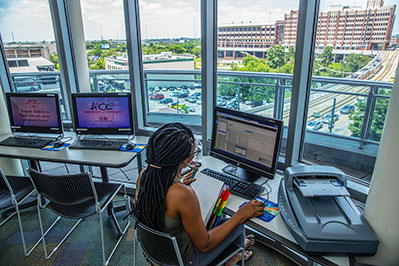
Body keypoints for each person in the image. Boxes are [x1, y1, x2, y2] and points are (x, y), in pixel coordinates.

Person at [132, 123, 264, 265]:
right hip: (184, 261)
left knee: (219, 223)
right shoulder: (182, 194)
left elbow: (160, 200)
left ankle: (234, 254)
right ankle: (233, 258)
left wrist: (179, 182)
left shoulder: (145, 175)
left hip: (156, 253)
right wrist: (241, 214)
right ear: (185, 160)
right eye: (193, 153)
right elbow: (204, 244)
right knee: (237, 224)